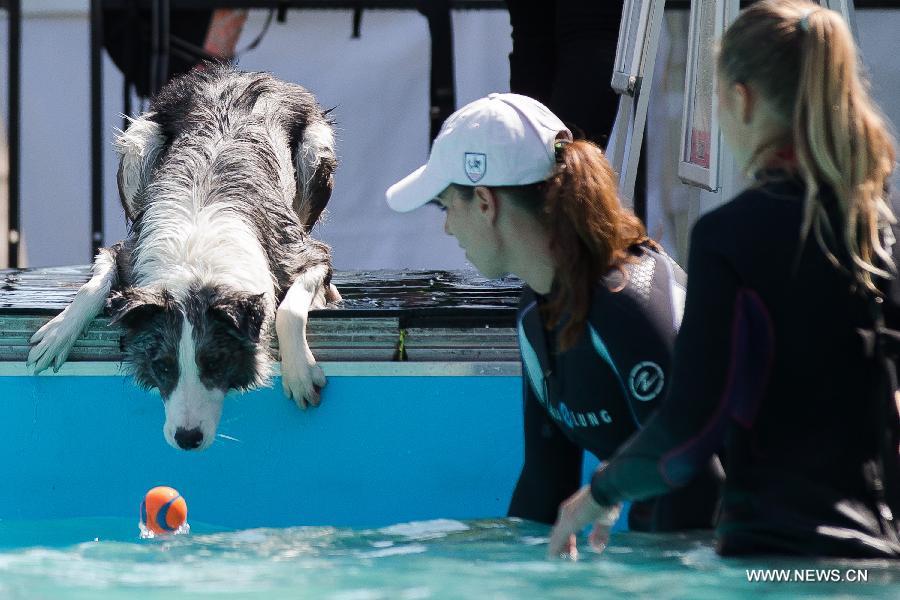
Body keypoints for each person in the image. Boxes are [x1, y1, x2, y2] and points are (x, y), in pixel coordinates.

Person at [548, 0, 900, 558]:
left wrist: (601, 491)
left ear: (742, 99)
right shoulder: (877, 233)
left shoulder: (729, 237)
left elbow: (688, 436)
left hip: (770, 559)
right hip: (875, 560)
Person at [385, 93, 720, 534]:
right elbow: (545, 486)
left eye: (449, 206)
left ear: (485, 203)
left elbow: (702, 479)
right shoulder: (535, 313)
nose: (447, 226)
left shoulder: (627, 302)